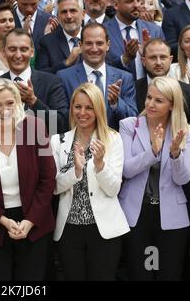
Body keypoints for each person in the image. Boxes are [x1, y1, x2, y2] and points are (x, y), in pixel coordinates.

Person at [0, 78, 57, 280]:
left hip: (34, 223)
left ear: (18, 102)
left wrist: (30, 221)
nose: (4, 110)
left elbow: (48, 180)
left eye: (9, 103)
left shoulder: (36, 128)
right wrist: (3, 220)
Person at [119, 76, 190, 280]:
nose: (150, 104)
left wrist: (175, 154)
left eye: (159, 100)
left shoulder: (185, 132)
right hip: (137, 214)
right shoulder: (129, 125)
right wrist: (153, 151)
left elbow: (182, 179)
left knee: (168, 275)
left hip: (171, 217)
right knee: (141, 274)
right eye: (149, 97)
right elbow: (126, 170)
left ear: (172, 104)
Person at [51, 82, 129, 280]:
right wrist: (76, 170)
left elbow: (113, 189)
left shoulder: (113, 139)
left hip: (104, 229)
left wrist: (100, 164)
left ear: (98, 109)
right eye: (78, 106)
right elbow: (54, 187)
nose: (82, 112)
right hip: (69, 229)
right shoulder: (58, 141)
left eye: (89, 107)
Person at [57, 22, 138, 130]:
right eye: (89, 43)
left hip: (114, 144)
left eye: (99, 43)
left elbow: (133, 120)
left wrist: (116, 103)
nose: (94, 49)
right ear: (80, 45)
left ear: (108, 45)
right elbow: (60, 120)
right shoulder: (64, 77)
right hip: (77, 143)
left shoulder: (124, 78)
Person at [0, 28, 69, 135]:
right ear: (4, 52)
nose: (18, 55)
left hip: (41, 149)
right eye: (12, 49)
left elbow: (62, 124)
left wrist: (34, 102)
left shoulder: (51, 82)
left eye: (23, 49)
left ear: (32, 52)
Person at [36, 0, 84, 74]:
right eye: (64, 12)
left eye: (73, 11)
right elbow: (41, 74)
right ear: (57, 16)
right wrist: (65, 63)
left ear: (83, 14)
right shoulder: (47, 42)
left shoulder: (94, 37)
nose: (68, 16)